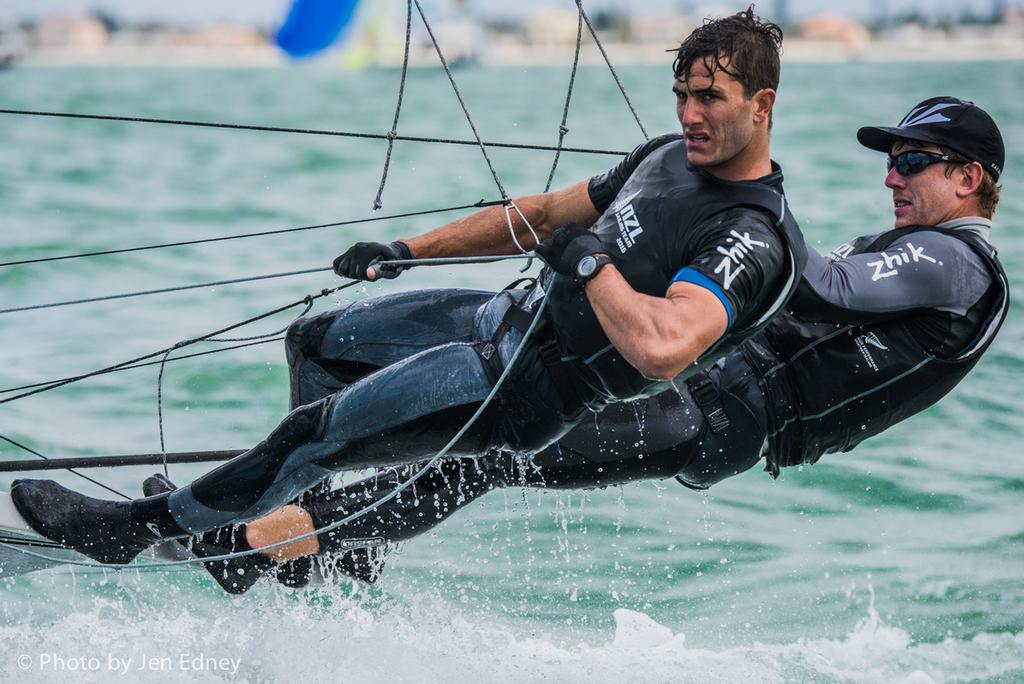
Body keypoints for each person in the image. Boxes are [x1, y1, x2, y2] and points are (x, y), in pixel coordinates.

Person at [10, 9, 807, 571]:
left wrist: (592, 265)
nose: (690, 113)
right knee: (315, 345)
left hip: (525, 384)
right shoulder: (668, 155)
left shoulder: (749, 234)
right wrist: (405, 251)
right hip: (501, 320)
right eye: (682, 95)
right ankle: (317, 543)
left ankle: (132, 531)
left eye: (710, 99)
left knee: (309, 435)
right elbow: (539, 216)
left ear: (761, 105)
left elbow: (663, 347)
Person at [142, 95, 1007, 595]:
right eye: (890, 160)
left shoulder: (955, 263)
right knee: (434, 403)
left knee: (488, 451)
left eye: (914, 161)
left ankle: (252, 545)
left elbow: (810, 278)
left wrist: (729, 211)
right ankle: (304, 538)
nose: (892, 176)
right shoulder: (922, 251)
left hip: (715, 414)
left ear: (968, 179)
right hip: (691, 387)